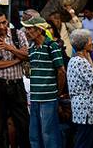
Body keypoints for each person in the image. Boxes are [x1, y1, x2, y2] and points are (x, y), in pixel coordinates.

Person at [0, 8, 30, 148]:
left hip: (17, 84)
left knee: (23, 123)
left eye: (3, 22)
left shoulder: (18, 34)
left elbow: (27, 56)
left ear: (7, 21)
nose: (2, 26)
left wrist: (10, 48)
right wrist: (16, 60)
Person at [21, 15, 65, 148]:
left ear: (39, 30)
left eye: (30, 29)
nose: (27, 32)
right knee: (34, 134)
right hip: (35, 97)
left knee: (48, 134)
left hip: (49, 98)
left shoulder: (52, 46)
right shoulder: (33, 48)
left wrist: (57, 93)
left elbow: (61, 71)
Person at [68, 29, 93, 148]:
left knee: (90, 140)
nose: (92, 43)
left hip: (90, 110)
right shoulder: (80, 62)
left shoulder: (81, 60)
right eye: (90, 41)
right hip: (87, 110)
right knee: (86, 141)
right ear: (84, 44)